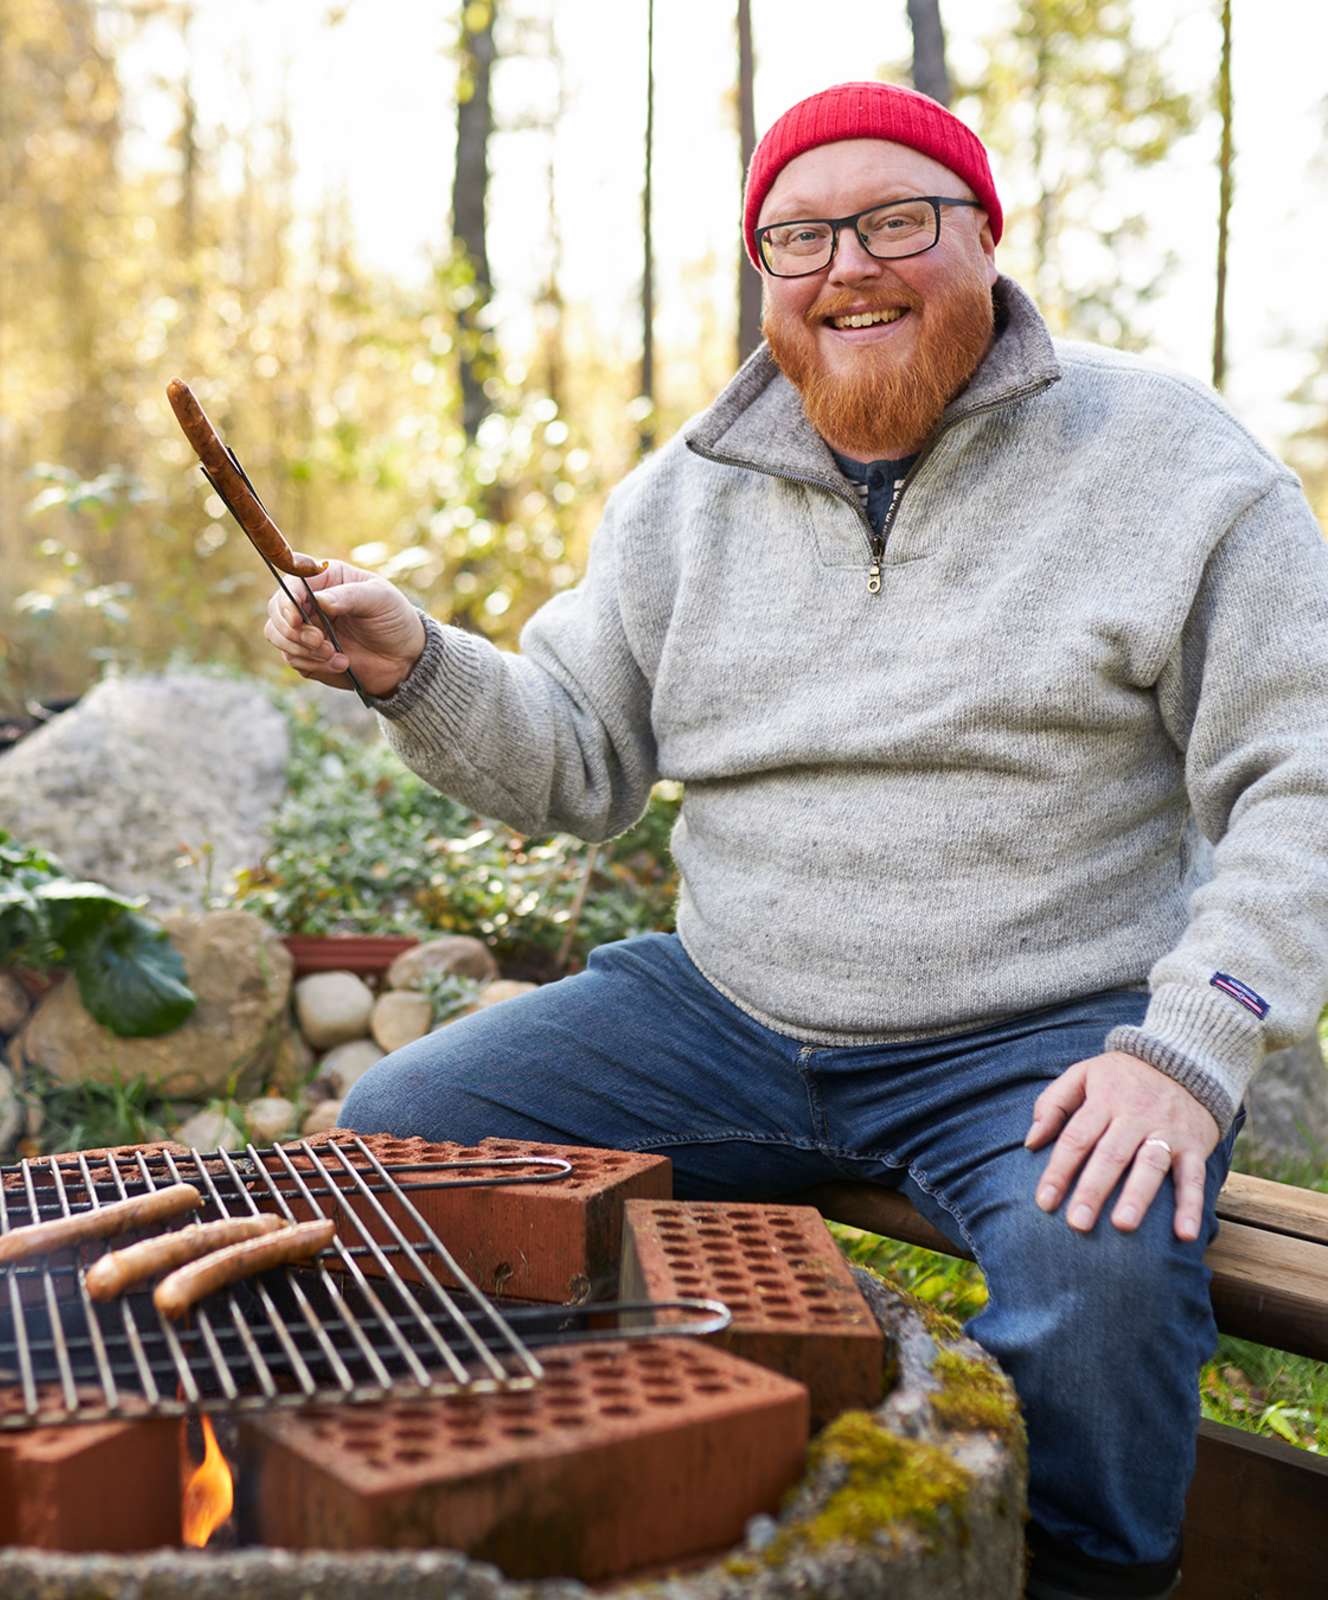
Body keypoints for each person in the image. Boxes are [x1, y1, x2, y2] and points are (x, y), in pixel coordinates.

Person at [262, 81, 1328, 1600]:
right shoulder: (683, 498)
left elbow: (1308, 773)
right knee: (398, 1142)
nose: (849, 266)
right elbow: (575, 754)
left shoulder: (1176, 468)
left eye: (900, 221)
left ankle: (1078, 1578)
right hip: (723, 1016)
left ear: (984, 242)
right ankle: (590, 1496)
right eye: (801, 235)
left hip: (1041, 1034)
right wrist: (413, 661)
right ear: (766, 272)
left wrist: (1189, 1046)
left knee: (1096, 1278)